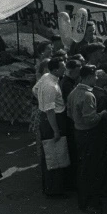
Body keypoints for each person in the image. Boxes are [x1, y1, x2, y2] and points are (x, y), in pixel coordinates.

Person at [67, 64, 107, 214]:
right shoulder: (89, 95)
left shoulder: (73, 92)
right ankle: (91, 203)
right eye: (95, 76)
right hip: (89, 134)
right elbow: (91, 119)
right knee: (92, 169)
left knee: (83, 168)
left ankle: (83, 200)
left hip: (78, 132)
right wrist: (102, 114)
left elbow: (69, 113)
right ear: (89, 77)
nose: (96, 78)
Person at [34, 57, 71, 196]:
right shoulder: (51, 85)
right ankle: (54, 190)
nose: (65, 69)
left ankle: (51, 187)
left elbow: (34, 90)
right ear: (56, 69)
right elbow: (50, 112)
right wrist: (56, 130)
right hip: (53, 120)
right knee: (55, 155)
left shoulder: (45, 77)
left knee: (50, 154)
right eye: (63, 67)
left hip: (48, 118)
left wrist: (41, 101)